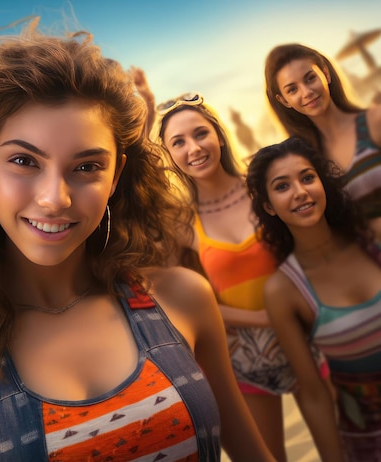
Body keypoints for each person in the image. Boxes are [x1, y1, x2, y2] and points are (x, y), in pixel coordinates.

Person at [0, 18, 274, 462]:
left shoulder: (182, 297)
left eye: (87, 166)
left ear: (115, 176)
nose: (54, 198)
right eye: (23, 160)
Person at [156, 91, 328, 461]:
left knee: (341, 446)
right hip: (245, 357)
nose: (194, 148)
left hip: (308, 336)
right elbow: (182, 303)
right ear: (170, 156)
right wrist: (260, 318)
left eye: (200, 133)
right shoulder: (182, 222)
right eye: (178, 143)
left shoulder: (265, 186)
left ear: (218, 134)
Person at [246, 136, 381, 461]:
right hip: (369, 440)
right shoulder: (284, 291)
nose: (300, 191)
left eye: (307, 178)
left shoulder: (374, 239)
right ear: (268, 206)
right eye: (282, 186)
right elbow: (314, 395)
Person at [264, 43, 381, 238]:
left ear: (325, 74)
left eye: (310, 78)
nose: (306, 92)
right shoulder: (304, 161)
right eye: (292, 90)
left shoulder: (374, 122)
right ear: (283, 100)